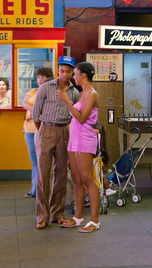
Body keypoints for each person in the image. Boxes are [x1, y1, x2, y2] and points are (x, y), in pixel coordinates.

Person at [32, 56, 79, 229]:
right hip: (46, 130)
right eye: (62, 70)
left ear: (73, 71)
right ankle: (41, 216)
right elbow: (36, 114)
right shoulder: (45, 88)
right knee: (43, 173)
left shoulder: (74, 92)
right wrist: (44, 130)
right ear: (57, 70)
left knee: (60, 173)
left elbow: (76, 114)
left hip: (65, 130)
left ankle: (57, 213)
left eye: (68, 71)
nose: (65, 74)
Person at [58, 62, 101, 233]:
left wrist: (66, 101)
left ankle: (95, 220)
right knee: (76, 179)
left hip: (85, 139)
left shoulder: (92, 94)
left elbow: (82, 118)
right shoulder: (82, 94)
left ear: (83, 75)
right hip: (74, 139)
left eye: (75, 74)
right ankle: (78, 217)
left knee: (87, 179)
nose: (72, 77)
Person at [21, 67, 53, 198]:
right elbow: (24, 104)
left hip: (41, 129)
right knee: (33, 158)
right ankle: (35, 188)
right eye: (38, 77)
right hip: (28, 129)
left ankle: (42, 189)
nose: (40, 80)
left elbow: (48, 109)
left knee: (43, 159)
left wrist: (33, 113)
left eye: (43, 77)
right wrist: (35, 110)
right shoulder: (33, 91)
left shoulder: (50, 92)